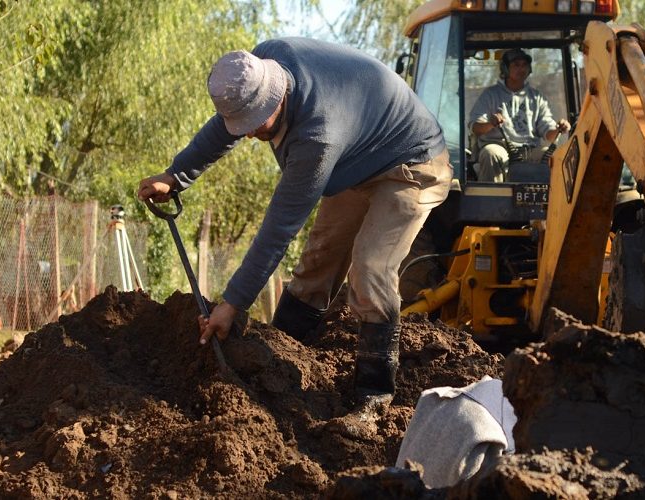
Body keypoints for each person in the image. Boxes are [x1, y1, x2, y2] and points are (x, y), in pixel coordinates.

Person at [137, 38, 451, 414]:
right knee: (319, 258)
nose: (249, 133)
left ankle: (374, 394)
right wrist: (175, 175)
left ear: (275, 98)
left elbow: (278, 230)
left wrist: (233, 304)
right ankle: (282, 354)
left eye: (255, 125)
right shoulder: (259, 64)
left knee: (370, 268)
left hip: (412, 163)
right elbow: (225, 126)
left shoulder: (316, 137)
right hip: (358, 159)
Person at [468, 48, 571, 182]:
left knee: (556, 156)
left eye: (524, 65)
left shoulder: (536, 97)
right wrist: (490, 123)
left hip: (529, 149)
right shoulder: (490, 95)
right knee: (490, 154)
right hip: (501, 147)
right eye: (516, 65)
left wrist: (558, 129)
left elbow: (548, 134)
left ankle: (550, 202)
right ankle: (493, 201)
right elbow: (475, 127)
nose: (521, 69)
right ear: (505, 69)